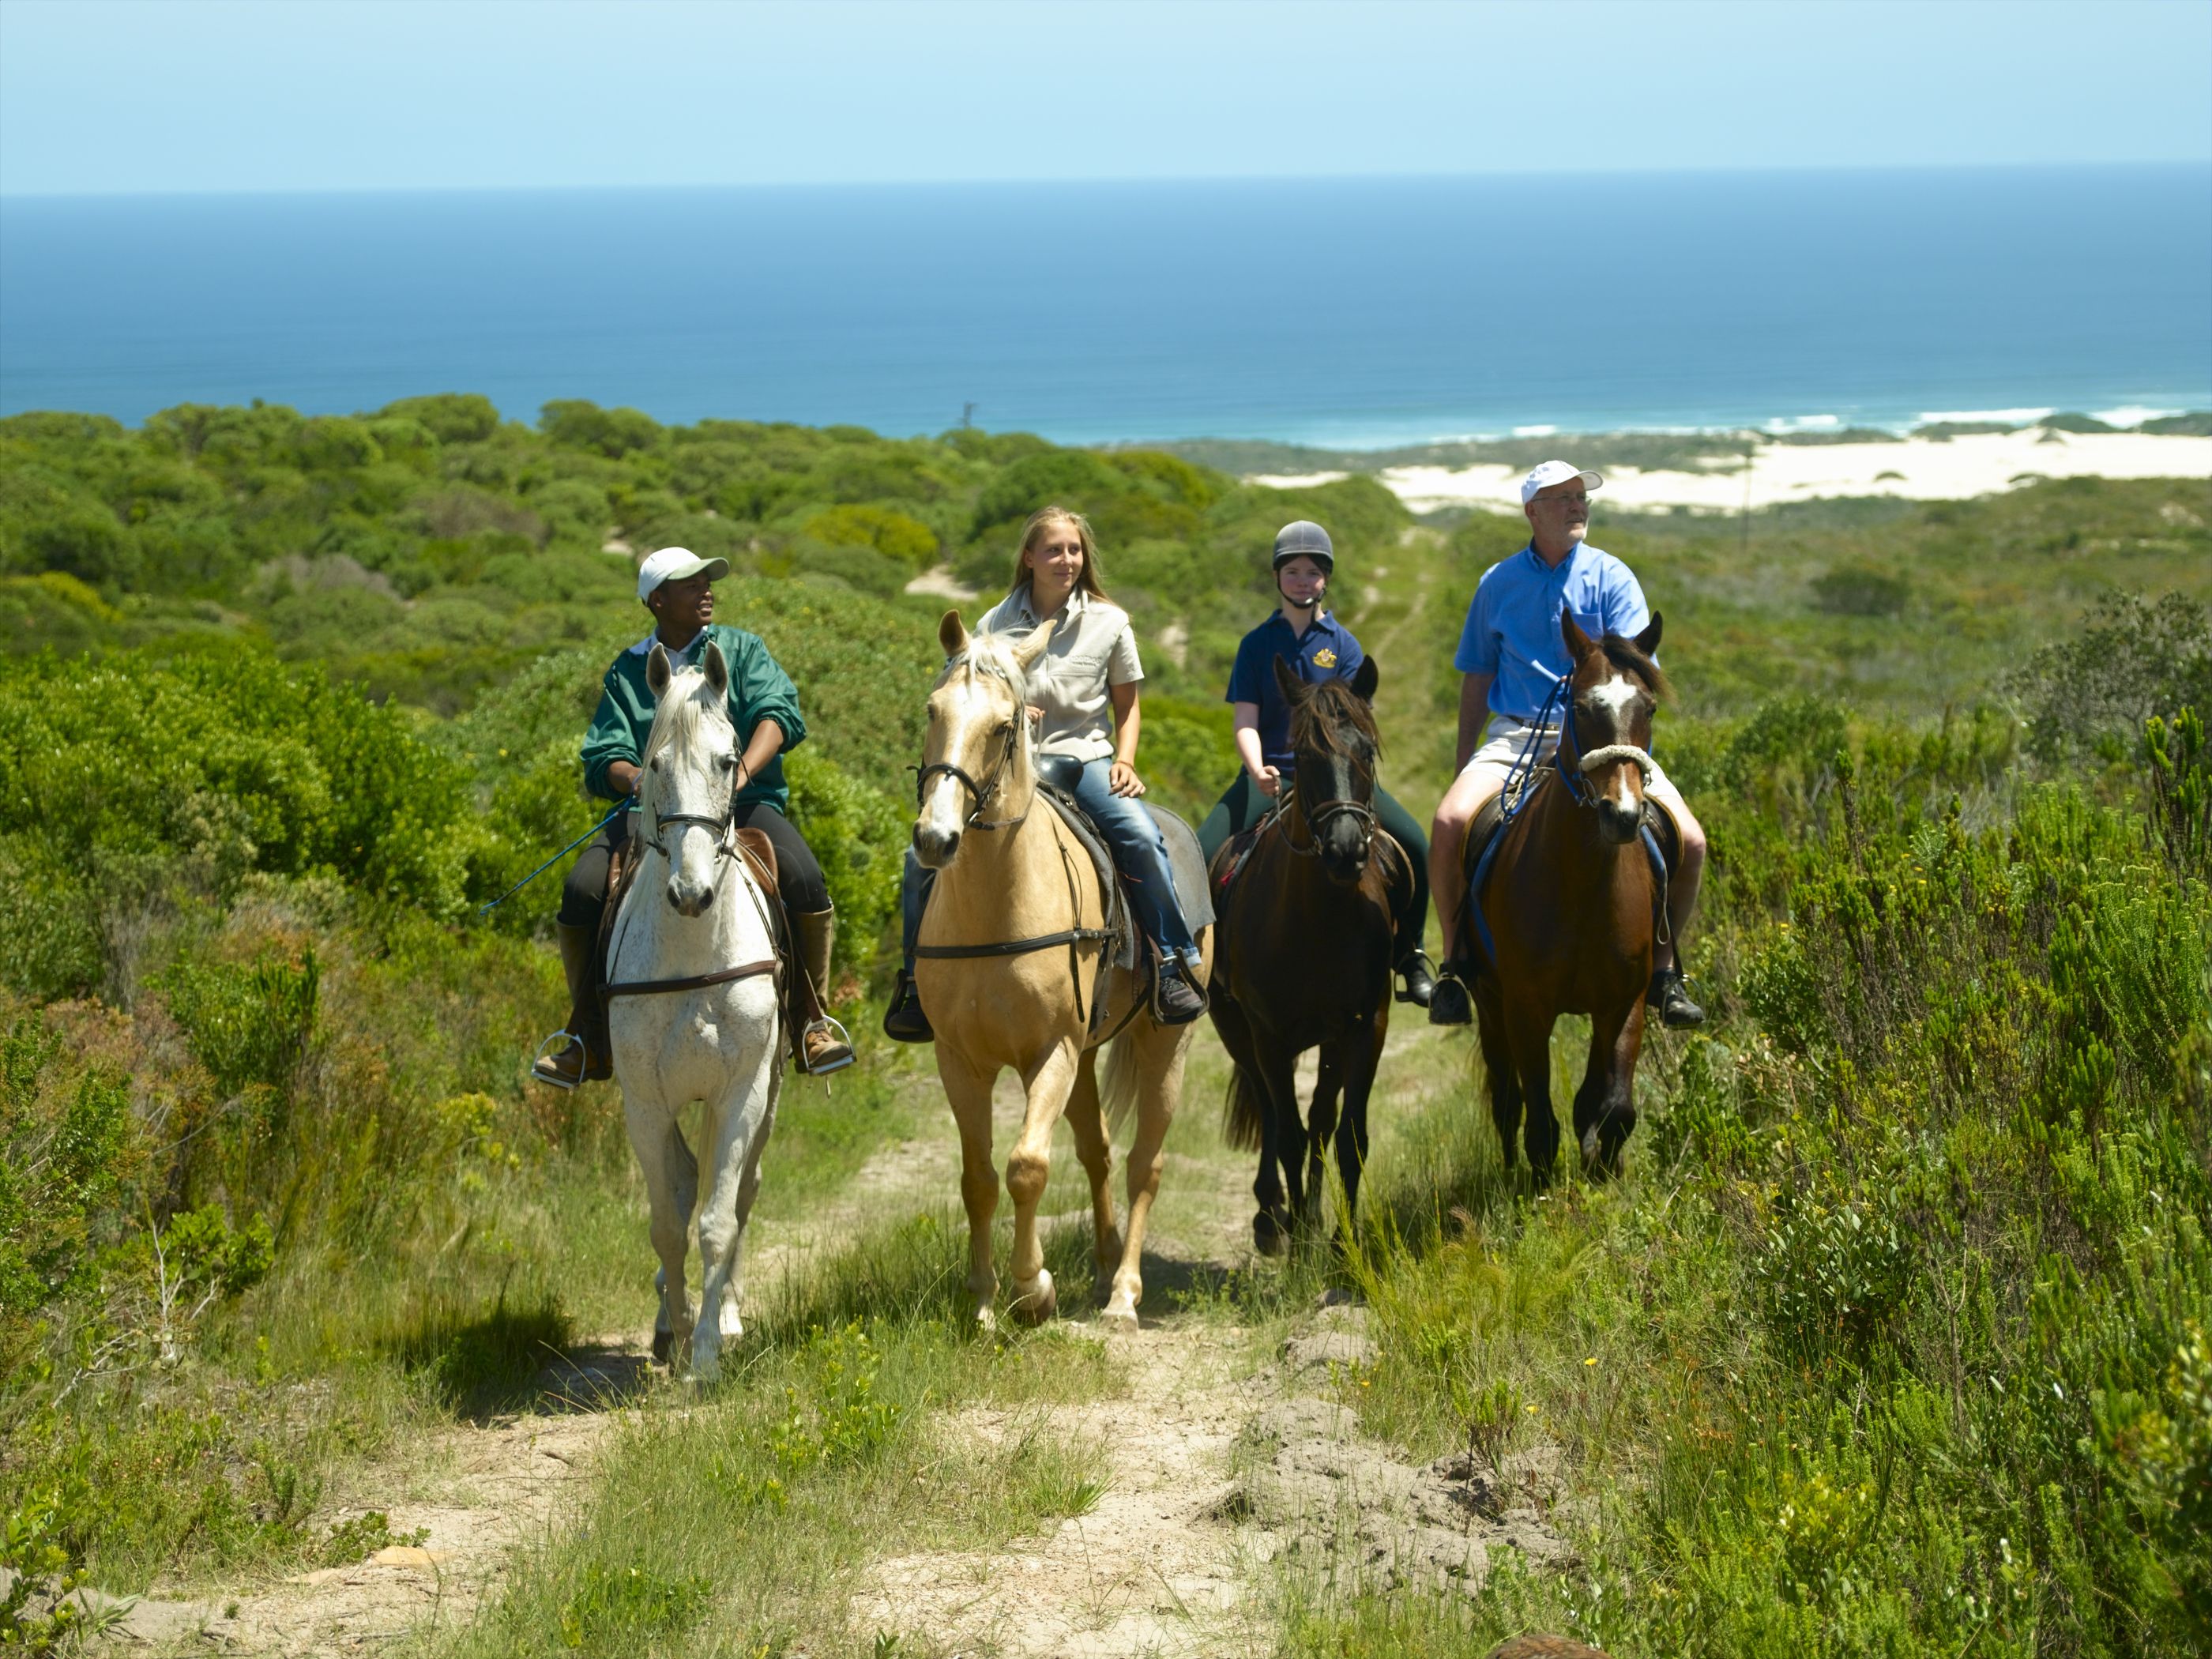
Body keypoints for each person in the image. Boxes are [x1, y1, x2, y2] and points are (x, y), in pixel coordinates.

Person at [532, 546, 856, 1086]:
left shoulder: (742, 650)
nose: (707, 590)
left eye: (708, 581)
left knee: (804, 879)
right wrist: (639, 778)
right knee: (582, 890)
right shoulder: (628, 671)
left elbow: (779, 713)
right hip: (655, 809)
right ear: (657, 600)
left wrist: (742, 775)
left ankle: (810, 1022)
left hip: (743, 801)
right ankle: (587, 1036)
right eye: (691, 584)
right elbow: (602, 753)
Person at [882, 506, 1208, 1039]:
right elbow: (976, 697)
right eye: (1054, 550)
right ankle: (916, 984)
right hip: (1013, 773)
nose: (1067, 560)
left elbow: (1128, 706)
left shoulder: (1111, 622)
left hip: (1085, 760)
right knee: (919, 859)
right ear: (1029, 558)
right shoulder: (993, 624)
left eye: (1075, 550)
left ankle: (1171, 962)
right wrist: (1013, 709)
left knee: (1141, 836)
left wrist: (1124, 760)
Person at [1426, 461, 1708, 1029]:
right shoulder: (1497, 583)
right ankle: (1455, 965)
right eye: (1562, 499)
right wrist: (1464, 760)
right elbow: (1477, 675)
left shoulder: (1613, 577)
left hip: (1605, 739)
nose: (1577, 506)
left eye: (1581, 497)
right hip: (1517, 733)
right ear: (1532, 512)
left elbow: (1635, 672)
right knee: (1451, 821)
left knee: (1693, 841)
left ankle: (1664, 968)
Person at [1195, 521, 1437, 1007]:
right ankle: (1193, 965)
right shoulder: (1256, 645)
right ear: (1277, 577)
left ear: (1326, 579)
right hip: (1271, 776)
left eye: (1312, 572)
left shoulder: (1342, 646)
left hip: (1336, 779)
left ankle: (1411, 954)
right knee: (1197, 855)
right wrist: (1258, 766)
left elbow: (1350, 724)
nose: (1303, 581)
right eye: (1293, 572)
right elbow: (1246, 719)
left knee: (1415, 842)